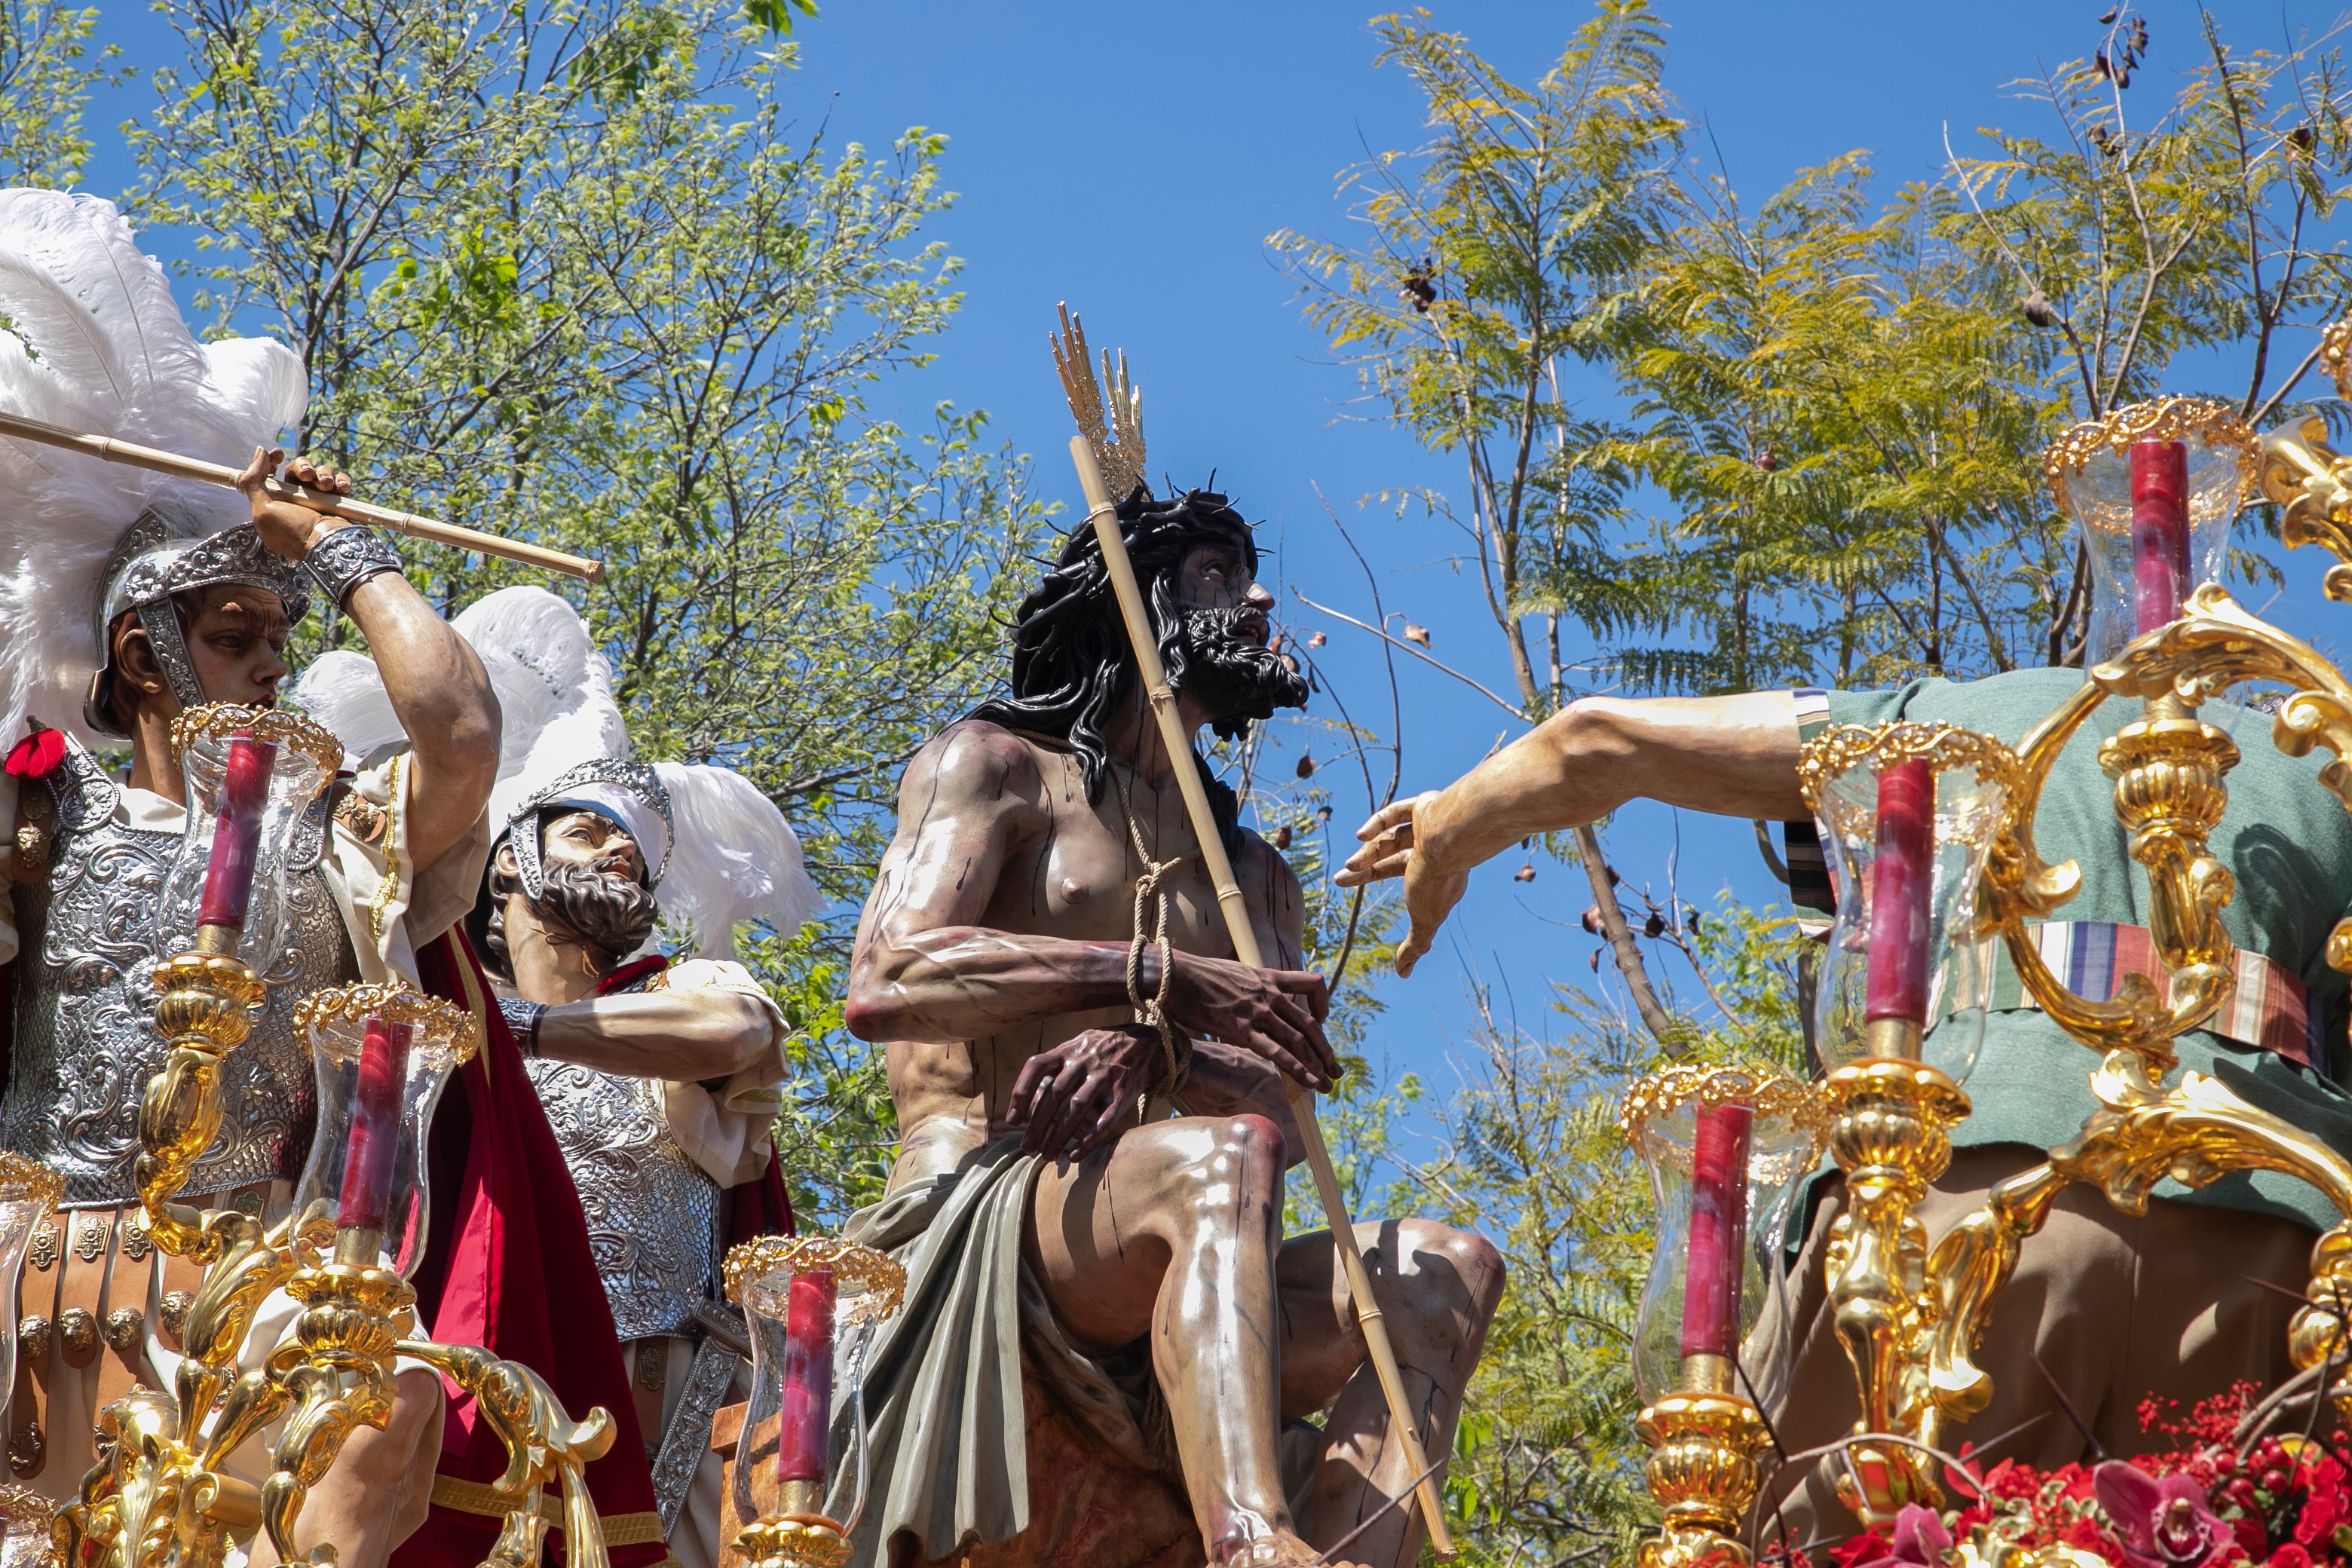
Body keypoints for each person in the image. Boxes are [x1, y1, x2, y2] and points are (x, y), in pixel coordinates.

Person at [0, 189, 670, 1568]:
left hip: (252, 1280)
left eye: (275, 635)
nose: (269, 663)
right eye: (236, 631)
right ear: (143, 657)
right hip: (32, 1247)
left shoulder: (352, 843)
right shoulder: (43, 809)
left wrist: (336, 553)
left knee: (395, 1400)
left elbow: (462, 727)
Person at [1337, 667, 2352, 1529]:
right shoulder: (2327, 762)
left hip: (1966, 1202)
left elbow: (1594, 737)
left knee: (1841, 1529)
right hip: (2282, 1241)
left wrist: (1444, 832)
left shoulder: (1942, 718)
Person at [841, 486, 1504, 1568]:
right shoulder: (998, 769)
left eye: (1249, 574)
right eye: (1216, 573)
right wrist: (1159, 975)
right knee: (1216, 1162)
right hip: (999, 1200)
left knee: (1447, 1267)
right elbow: (887, 976)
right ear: (1135, 601)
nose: (1256, 599)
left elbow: (1283, 1106)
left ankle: (1353, 1554)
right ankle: (1252, 1543)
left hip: (1207, 1238)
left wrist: (1164, 1047)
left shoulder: (1253, 879)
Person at [384, 586, 810, 1568]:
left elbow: (731, 1029)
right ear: (506, 866)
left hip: (678, 1415)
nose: (621, 851)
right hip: (499, 1391)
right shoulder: (448, 1009)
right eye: (589, 830)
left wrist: (524, 1028)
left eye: (639, 850)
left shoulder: (683, 987)